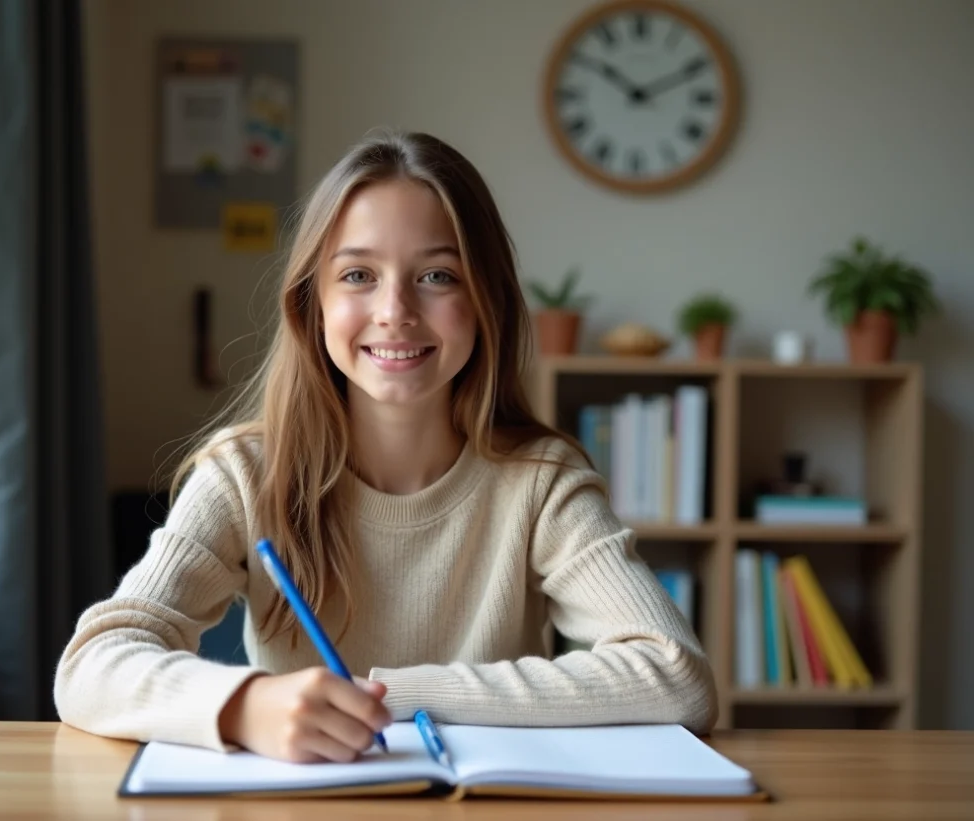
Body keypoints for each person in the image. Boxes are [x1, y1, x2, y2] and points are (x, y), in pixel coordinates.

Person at [54, 129, 718, 764]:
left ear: (487, 300)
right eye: (357, 275)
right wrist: (245, 705)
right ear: (311, 302)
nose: (394, 310)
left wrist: (392, 696)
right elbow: (92, 664)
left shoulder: (541, 480)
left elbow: (677, 675)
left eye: (437, 277)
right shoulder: (245, 473)